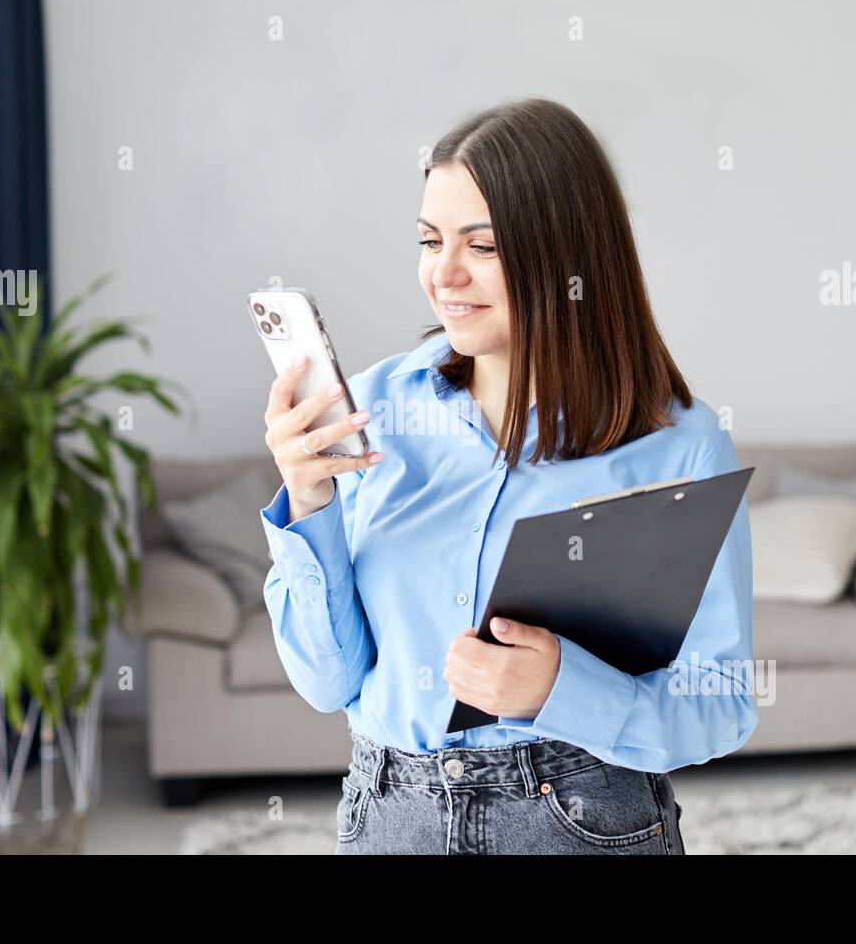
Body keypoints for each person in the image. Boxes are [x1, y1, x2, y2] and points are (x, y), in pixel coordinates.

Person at [258, 97, 757, 855]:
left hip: (582, 819)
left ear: (568, 258)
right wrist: (309, 500)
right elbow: (330, 682)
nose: (443, 274)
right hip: (391, 817)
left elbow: (721, 703)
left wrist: (565, 690)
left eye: (482, 246)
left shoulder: (677, 445)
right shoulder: (375, 410)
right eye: (430, 240)